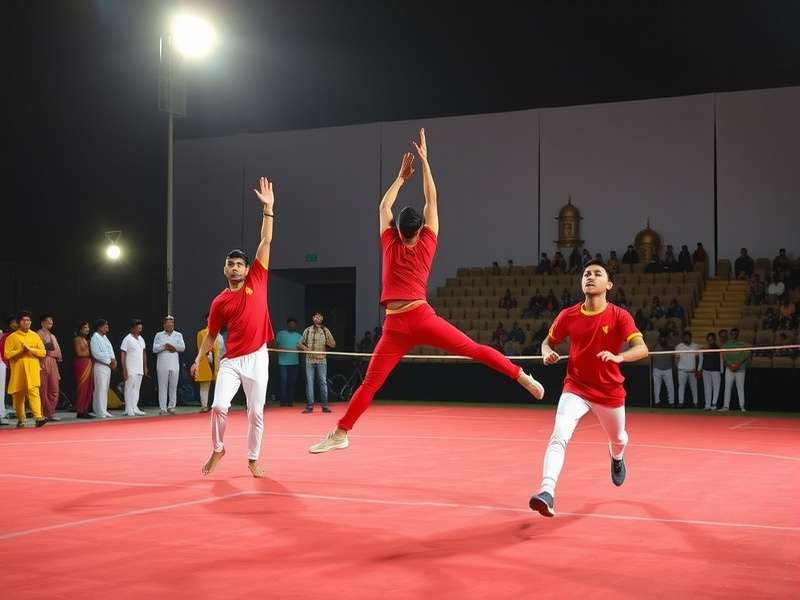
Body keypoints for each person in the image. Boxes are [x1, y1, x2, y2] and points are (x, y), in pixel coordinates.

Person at [309, 129, 544, 454]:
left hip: (399, 321)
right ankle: (520, 375)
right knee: (474, 350)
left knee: (370, 384)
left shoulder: (389, 240)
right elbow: (431, 199)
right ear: (419, 229)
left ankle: (341, 432)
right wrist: (426, 163)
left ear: (398, 229)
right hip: (412, 320)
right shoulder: (428, 241)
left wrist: (401, 177)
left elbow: (383, 206)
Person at [530, 260, 648, 517]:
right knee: (559, 436)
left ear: (609, 284)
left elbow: (642, 349)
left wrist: (620, 358)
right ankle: (547, 491)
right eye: (586, 273)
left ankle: (617, 457)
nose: (590, 277)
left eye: (597, 274)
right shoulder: (568, 315)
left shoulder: (619, 316)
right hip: (576, 387)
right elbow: (546, 342)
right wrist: (548, 352)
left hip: (609, 392)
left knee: (619, 439)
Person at [191, 175, 276, 478]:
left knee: (256, 412)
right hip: (231, 361)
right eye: (232, 264)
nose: (236, 267)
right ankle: (218, 449)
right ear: (225, 269)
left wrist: (268, 210)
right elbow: (212, 334)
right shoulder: (219, 302)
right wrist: (200, 357)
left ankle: (253, 459)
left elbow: (265, 240)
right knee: (218, 407)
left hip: (258, 357)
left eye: (241, 263)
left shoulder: (258, 279)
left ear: (248, 269)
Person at [4, 311, 48, 428]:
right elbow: (7, 355)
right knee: (19, 396)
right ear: (19, 322)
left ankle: (38, 418)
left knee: (34, 393)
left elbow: (43, 352)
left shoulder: (35, 335)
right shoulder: (12, 337)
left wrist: (31, 350)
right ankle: (21, 419)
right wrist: (20, 351)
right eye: (24, 320)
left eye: (29, 320)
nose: (27, 322)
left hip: (32, 369)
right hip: (19, 371)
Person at [298, 311, 336, 414]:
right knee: (309, 383)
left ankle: (325, 406)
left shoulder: (325, 330)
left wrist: (328, 340)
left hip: (322, 361)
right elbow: (299, 344)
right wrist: (305, 348)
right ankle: (309, 407)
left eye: (319, 316)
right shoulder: (308, 330)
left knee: (323, 383)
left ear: (322, 318)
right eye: (315, 316)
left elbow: (333, 344)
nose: (317, 318)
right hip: (310, 361)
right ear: (313, 318)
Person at [153, 315, 186, 415]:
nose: (169, 326)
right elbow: (154, 349)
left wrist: (174, 347)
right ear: (164, 325)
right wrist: (164, 347)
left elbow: (183, 347)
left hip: (174, 364)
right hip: (162, 364)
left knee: (173, 386)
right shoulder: (159, 335)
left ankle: (171, 407)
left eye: (171, 324)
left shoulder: (178, 335)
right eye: (167, 324)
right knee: (162, 386)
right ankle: (162, 408)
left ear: (173, 325)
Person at [36, 314, 63, 421]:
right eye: (48, 321)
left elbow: (56, 350)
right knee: (43, 389)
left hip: (53, 362)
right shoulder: (38, 334)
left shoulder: (53, 335)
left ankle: (50, 412)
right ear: (42, 322)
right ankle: (45, 413)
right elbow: (44, 348)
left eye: (51, 321)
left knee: (54, 389)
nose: (50, 323)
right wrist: (49, 349)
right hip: (43, 361)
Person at [195, 314, 223, 413]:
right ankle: (204, 406)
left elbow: (222, 350)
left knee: (218, 385)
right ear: (206, 319)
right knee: (205, 384)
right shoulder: (202, 333)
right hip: (205, 361)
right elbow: (200, 347)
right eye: (209, 318)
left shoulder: (219, 335)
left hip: (218, 362)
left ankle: (217, 405)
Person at [120, 319, 148, 417]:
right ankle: (128, 408)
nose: (140, 329)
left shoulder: (141, 339)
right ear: (132, 328)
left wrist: (145, 367)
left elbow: (144, 353)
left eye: (140, 327)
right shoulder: (127, 339)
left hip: (139, 367)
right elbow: (123, 354)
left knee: (137, 388)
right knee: (129, 388)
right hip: (130, 367)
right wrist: (124, 369)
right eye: (137, 327)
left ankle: (135, 407)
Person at [90, 319, 116, 418]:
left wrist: (114, 359)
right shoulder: (95, 338)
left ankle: (104, 410)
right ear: (99, 327)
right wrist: (109, 361)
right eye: (105, 326)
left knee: (105, 389)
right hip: (100, 366)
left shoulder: (105, 337)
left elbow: (111, 350)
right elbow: (96, 353)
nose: (107, 327)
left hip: (107, 367)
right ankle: (99, 410)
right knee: (100, 388)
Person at [275, 317, 303, 407]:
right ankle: (283, 401)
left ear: (296, 326)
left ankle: (290, 401)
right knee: (284, 381)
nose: (292, 326)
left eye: (293, 325)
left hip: (294, 363)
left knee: (292, 382)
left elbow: (302, 348)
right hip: (283, 362)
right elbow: (275, 345)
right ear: (287, 325)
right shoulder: (281, 334)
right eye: (290, 324)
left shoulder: (299, 336)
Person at [721, 328, 749, 411]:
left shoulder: (743, 344)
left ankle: (742, 406)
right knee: (727, 387)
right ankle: (726, 406)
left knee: (740, 387)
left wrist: (737, 364)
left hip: (740, 369)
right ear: (730, 335)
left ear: (738, 334)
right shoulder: (726, 345)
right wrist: (730, 365)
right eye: (732, 334)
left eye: (735, 334)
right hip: (729, 369)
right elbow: (724, 357)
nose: (734, 335)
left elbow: (746, 355)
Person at [674, 330, 702, 407]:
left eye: (688, 337)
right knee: (681, 387)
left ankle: (696, 403)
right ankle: (680, 403)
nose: (686, 338)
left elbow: (698, 358)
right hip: (682, 370)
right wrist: (677, 368)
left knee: (694, 387)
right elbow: (676, 359)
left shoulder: (695, 346)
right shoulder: (679, 346)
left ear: (690, 338)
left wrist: (698, 369)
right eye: (685, 337)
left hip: (693, 370)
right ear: (683, 338)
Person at [73, 321, 94, 418]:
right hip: (81, 364)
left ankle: (85, 410)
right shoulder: (77, 339)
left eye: (88, 327)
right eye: (85, 327)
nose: (87, 329)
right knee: (82, 388)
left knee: (89, 388)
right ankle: (80, 411)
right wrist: (89, 353)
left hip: (88, 363)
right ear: (80, 329)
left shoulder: (87, 340)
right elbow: (79, 353)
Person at [651, 335, 675, 406]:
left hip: (668, 369)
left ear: (666, 339)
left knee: (670, 387)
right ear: (659, 339)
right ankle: (657, 402)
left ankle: (671, 403)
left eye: (664, 338)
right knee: (656, 387)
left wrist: (673, 366)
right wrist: (653, 368)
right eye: (661, 338)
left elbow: (673, 357)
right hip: (656, 369)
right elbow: (652, 358)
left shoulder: (670, 347)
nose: (662, 339)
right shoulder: (655, 346)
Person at [702, 333, 721, 410]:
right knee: (707, 388)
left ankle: (714, 404)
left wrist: (721, 370)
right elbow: (701, 360)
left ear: (714, 340)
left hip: (716, 370)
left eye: (712, 340)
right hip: (706, 370)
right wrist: (700, 369)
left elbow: (721, 360)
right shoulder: (705, 349)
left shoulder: (718, 348)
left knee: (716, 387)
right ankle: (707, 405)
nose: (710, 341)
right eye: (709, 340)